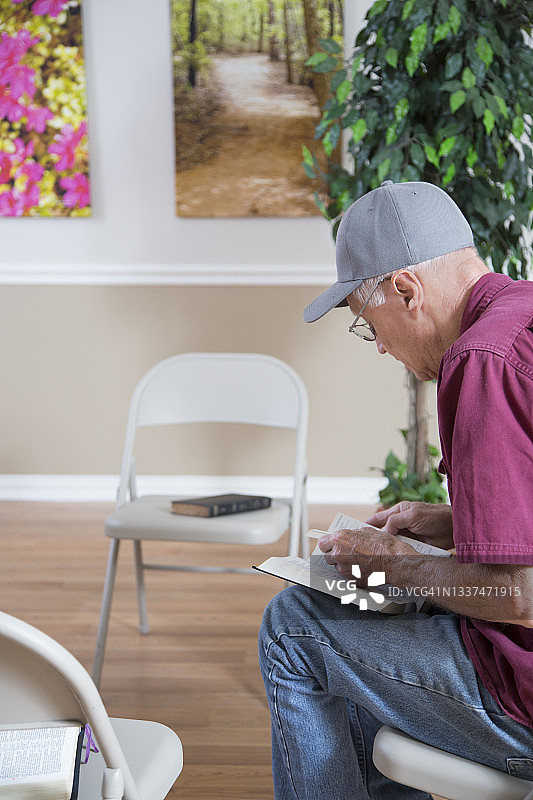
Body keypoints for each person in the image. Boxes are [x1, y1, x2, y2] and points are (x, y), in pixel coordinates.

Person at [258, 180, 533, 800]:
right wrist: (447, 520)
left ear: (406, 290)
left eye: (367, 322)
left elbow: (522, 595)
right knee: (354, 622)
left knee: (296, 625)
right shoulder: (523, 318)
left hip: (523, 700)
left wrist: (398, 567)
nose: (379, 345)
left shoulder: (482, 359)